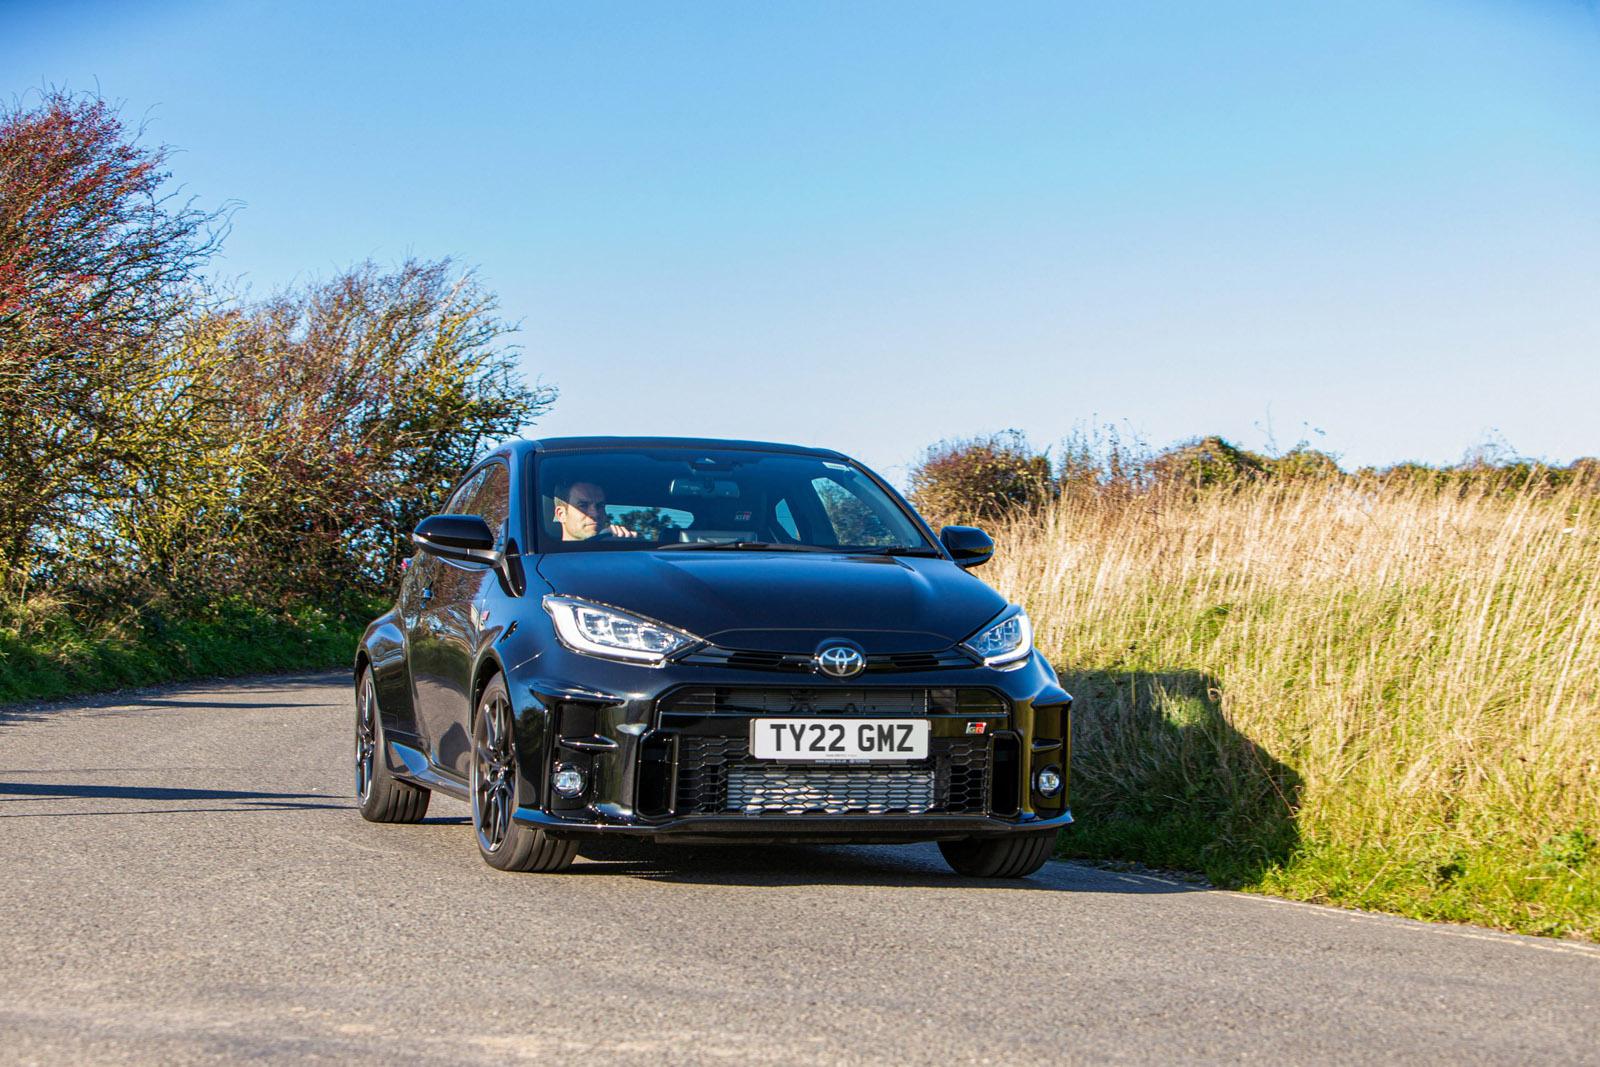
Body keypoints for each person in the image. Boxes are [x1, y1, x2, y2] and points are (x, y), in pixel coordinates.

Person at [552, 481, 638, 541]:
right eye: (583, 506)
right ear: (561, 514)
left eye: (600, 506)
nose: (595, 513)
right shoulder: (550, 561)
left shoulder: (621, 556)